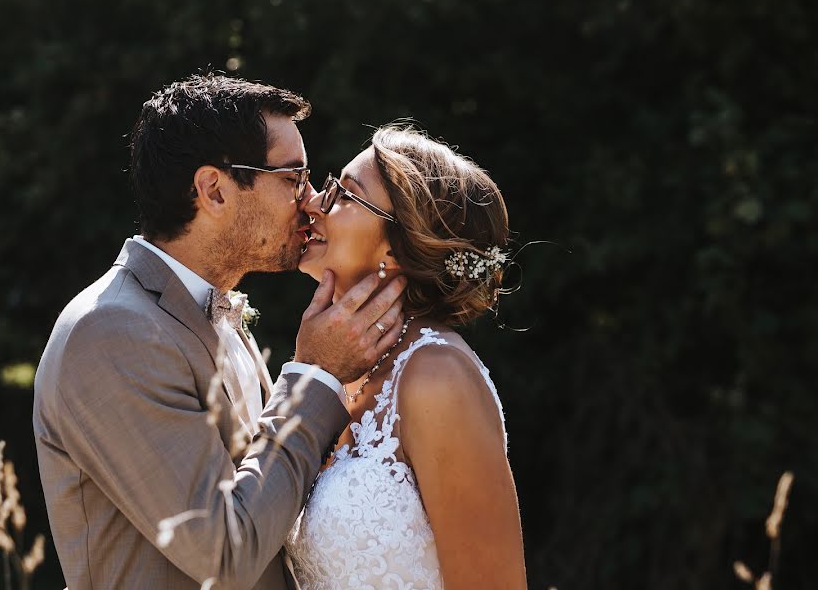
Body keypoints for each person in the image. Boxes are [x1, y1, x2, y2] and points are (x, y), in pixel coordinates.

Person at [32, 74, 406, 590]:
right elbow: (224, 553)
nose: (311, 198)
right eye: (293, 177)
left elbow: (270, 491)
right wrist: (315, 374)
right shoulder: (110, 332)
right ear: (213, 190)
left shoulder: (210, 308)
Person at [286, 125, 528, 589]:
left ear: (397, 249)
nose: (314, 202)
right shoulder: (342, 370)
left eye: (344, 195)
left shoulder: (438, 377)